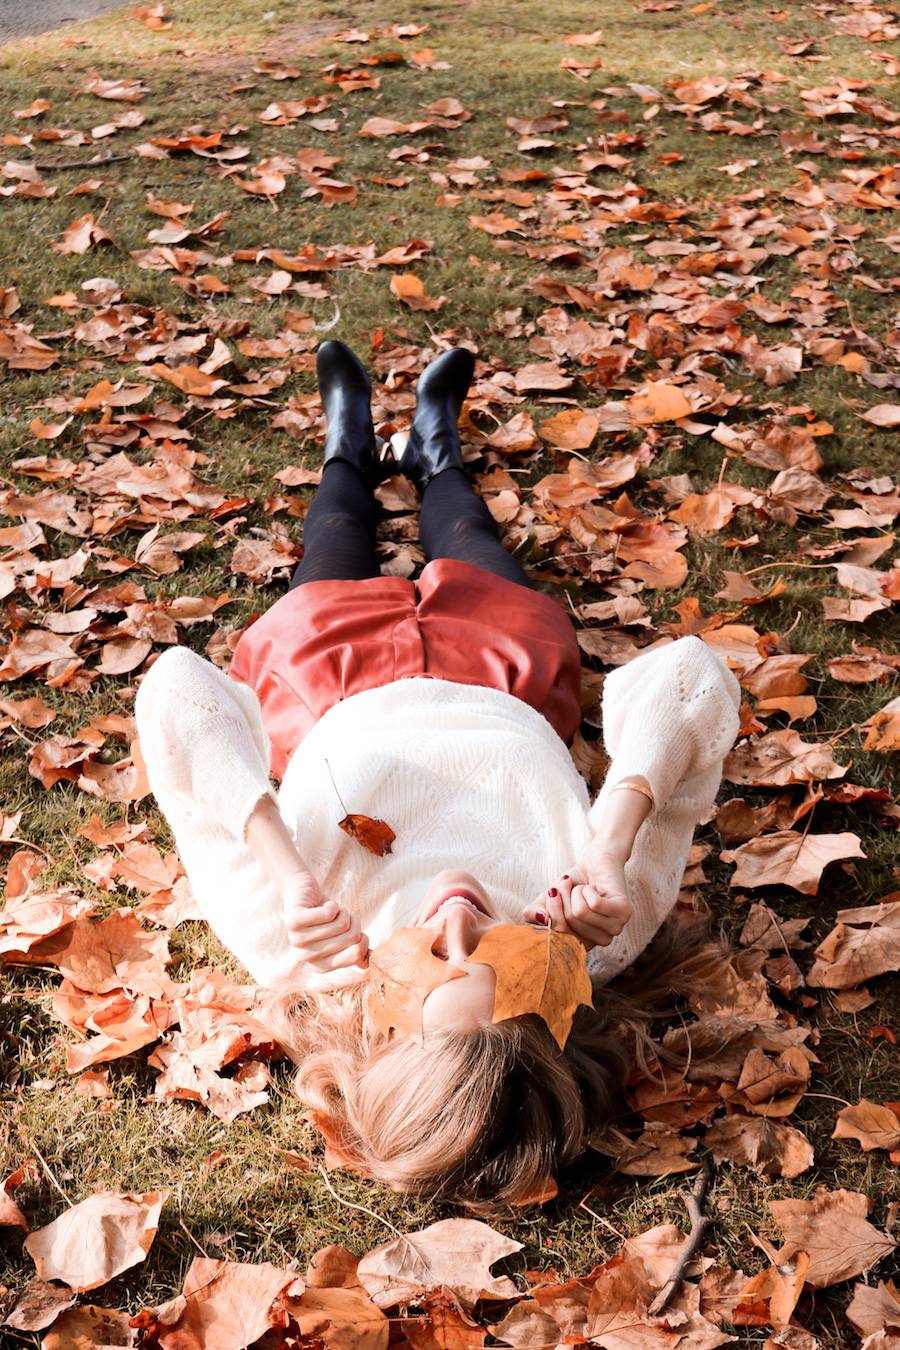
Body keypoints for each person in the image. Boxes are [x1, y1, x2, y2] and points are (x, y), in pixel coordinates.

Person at [135, 340, 741, 1210]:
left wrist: (284, 867)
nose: (458, 920)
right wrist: (614, 840)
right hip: (506, 674)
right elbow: (686, 675)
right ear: (553, 1004)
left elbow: (176, 692)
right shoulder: (595, 935)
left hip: (325, 682)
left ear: (379, 1021)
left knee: (337, 532)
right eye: (493, 957)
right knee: (466, 532)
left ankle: (346, 438)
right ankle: (434, 443)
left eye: (429, 966)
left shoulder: (300, 950)